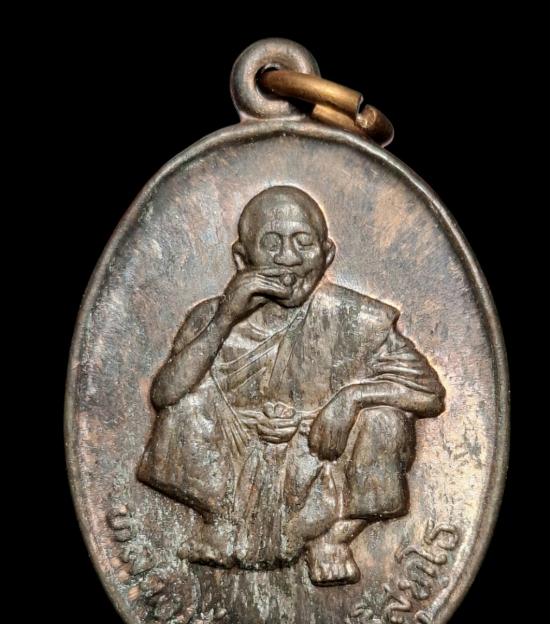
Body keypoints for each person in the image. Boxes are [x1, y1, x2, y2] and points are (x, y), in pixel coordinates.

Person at [137, 186, 445, 585]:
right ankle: (220, 522)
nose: (288, 258)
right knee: (186, 398)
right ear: (242, 258)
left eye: (303, 242)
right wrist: (226, 318)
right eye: (271, 243)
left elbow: (430, 393)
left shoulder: (357, 319)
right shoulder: (212, 318)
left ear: (327, 255)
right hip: (229, 467)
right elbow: (163, 396)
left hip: (316, 462)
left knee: (385, 417)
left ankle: (335, 539)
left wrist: (351, 398)